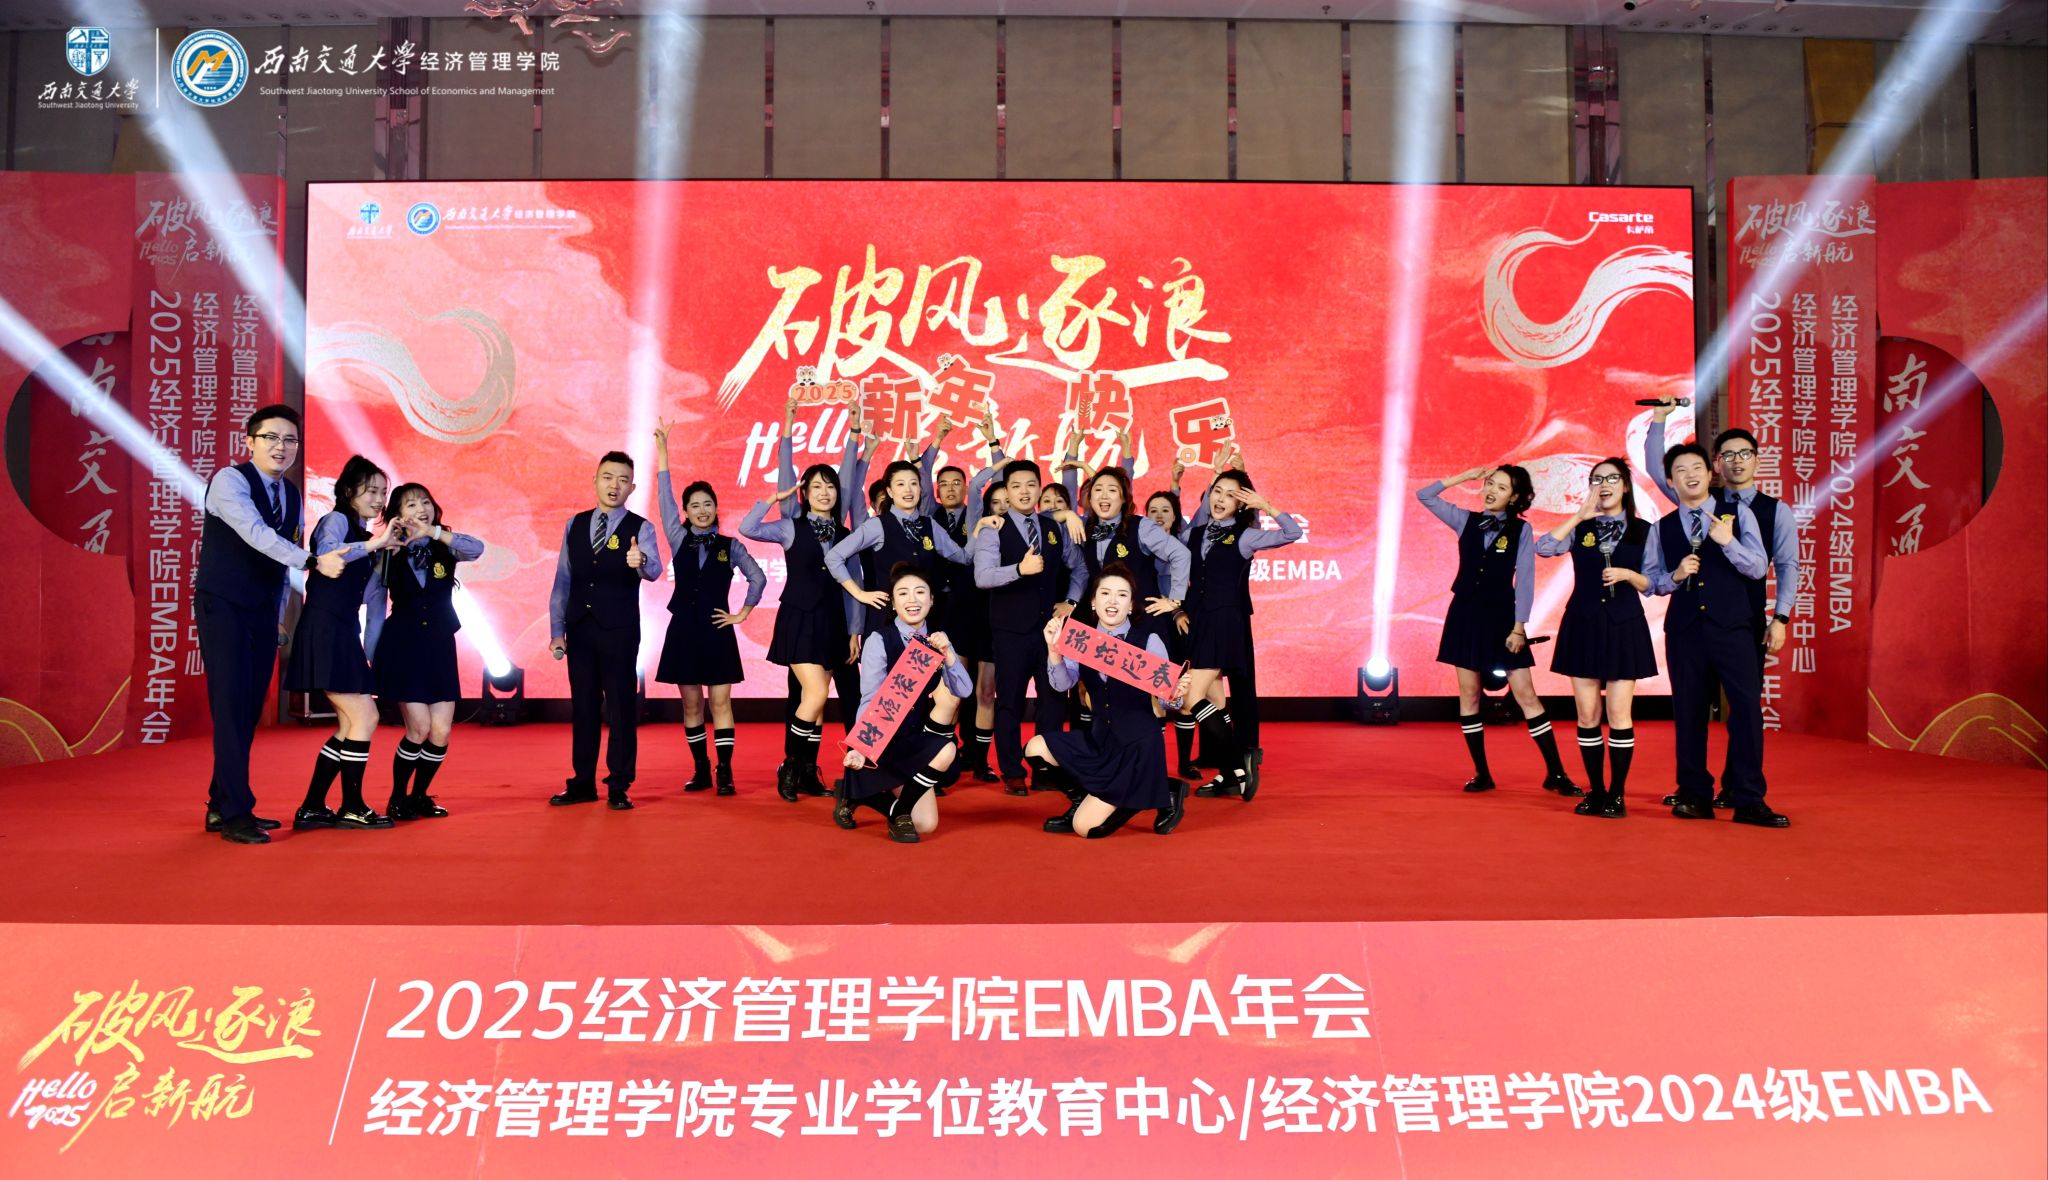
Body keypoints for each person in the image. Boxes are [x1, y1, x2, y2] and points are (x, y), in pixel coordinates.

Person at [196, 405, 343, 844]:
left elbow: (277, 564)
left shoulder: (291, 493)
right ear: (250, 442)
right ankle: (236, 813)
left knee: (247, 708)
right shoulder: (230, 481)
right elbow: (255, 533)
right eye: (271, 438)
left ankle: (220, 803)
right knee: (230, 705)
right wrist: (312, 561)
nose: (281, 447)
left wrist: (278, 618)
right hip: (224, 605)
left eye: (290, 440)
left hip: (261, 611)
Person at [1646, 402, 1803, 808]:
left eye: (1744, 454)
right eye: (1727, 454)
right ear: (1717, 464)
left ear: (1756, 459)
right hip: (1689, 622)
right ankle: (1695, 791)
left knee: (1745, 708)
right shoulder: (1691, 501)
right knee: (1691, 709)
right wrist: (1659, 420)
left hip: (1744, 620)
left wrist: (1781, 617)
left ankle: (1741, 790)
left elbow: (1783, 566)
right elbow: (1660, 470)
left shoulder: (1765, 511)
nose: (1736, 461)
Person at [1417, 465, 1582, 798]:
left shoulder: (1521, 529)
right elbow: (1425, 495)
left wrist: (1519, 627)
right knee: (1469, 694)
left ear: (1515, 497)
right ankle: (1482, 773)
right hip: (1464, 615)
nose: (1491, 491)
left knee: (1526, 695)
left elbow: (1525, 581)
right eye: (1490, 484)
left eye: (1501, 487)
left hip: (1502, 618)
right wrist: (1463, 477)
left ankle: (1556, 773)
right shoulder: (1465, 520)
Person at [284, 453, 405, 831]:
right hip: (324, 628)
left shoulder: (371, 542)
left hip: (343, 631)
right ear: (349, 491)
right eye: (371, 491)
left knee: (351, 723)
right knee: (365, 717)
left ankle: (312, 807)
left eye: (383, 493)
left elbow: (374, 604)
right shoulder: (336, 520)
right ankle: (351, 806)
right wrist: (376, 545)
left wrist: (371, 657)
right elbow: (325, 553)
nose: (379, 500)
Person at [1030, 564, 1194, 838]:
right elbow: (1061, 684)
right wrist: (1053, 650)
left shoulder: (1148, 640)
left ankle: (1160, 789)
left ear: (1131, 606)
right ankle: (1085, 799)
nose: (1113, 601)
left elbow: (1168, 702)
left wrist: (1174, 696)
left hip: (1137, 746)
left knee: (1085, 828)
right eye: (1105, 593)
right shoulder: (1081, 640)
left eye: (1121, 595)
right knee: (1036, 748)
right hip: (1099, 741)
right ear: (1093, 602)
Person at [1536, 457, 1658, 818]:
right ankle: (1596, 791)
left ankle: (1617, 795)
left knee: (1618, 712)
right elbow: (1544, 547)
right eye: (1596, 479)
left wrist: (1628, 575)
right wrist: (1578, 515)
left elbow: (1656, 583)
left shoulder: (1645, 530)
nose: (1604, 485)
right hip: (1584, 623)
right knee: (1587, 713)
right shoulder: (1582, 527)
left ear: (1625, 486)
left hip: (1624, 624)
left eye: (1612, 478)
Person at [741, 445, 863, 801]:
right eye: (816, 487)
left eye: (830, 486)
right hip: (799, 619)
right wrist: (772, 499)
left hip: (833, 623)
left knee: (816, 702)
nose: (824, 492)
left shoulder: (845, 534)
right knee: (816, 694)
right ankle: (790, 767)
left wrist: (854, 630)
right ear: (805, 493)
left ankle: (808, 771)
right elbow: (748, 528)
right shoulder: (790, 527)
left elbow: (853, 583)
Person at [653, 422, 766, 796]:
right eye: (694, 505)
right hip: (684, 631)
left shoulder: (730, 546)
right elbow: (665, 498)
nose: (702, 510)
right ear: (686, 511)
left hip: (718, 631)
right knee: (691, 705)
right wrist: (663, 453)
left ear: (717, 507)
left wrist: (742, 613)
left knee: (720, 702)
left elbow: (758, 578)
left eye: (707, 504)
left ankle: (725, 771)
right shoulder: (678, 538)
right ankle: (701, 769)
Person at [547, 451, 662, 811]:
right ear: (595, 480)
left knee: (621, 708)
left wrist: (640, 561)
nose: (615, 485)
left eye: (623, 480)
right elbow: (562, 580)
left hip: (619, 632)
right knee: (583, 707)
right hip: (580, 630)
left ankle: (619, 784)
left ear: (632, 488)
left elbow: (655, 570)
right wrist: (557, 630)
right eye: (608, 477)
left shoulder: (641, 528)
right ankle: (582, 782)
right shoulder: (575, 524)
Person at [1178, 468, 1302, 802]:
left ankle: (1237, 764)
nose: (1220, 499)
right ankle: (1230, 774)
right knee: (1216, 701)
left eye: (1230, 495)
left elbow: (1292, 532)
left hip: (1225, 623)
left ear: (1241, 503)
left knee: (1190, 699)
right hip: (1198, 621)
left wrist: (1267, 505)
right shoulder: (1194, 533)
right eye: (1216, 491)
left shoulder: (1246, 536)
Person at [367, 483, 487, 819]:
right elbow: (373, 606)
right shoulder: (387, 551)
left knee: (441, 731)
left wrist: (434, 533)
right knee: (418, 728)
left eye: (425, 503)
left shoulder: (445, 545)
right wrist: (370, 655)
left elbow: (477, 549)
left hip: (439, 644)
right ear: (397, 514)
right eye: (411, 504)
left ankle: (420, 796)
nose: (421, 509)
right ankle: (397, 799)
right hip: (402, 646)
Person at [972, 458, 1087, 795]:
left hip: (1050, 631)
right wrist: (1019, 570)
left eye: (1031, 485)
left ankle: (1045, 767)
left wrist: (1071, 601)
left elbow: (1079, 568)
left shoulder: (1053, 527)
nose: (1024, 491)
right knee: (1009, 701)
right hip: (1010, 631)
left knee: (1053, 698)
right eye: (1016, 486)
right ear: (1006, 492)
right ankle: (1012, 771)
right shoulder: (992, 529)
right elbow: (982, 577)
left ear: (1039, 489)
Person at [834, 564, 973, 843]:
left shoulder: (937, 640)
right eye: (903, 593)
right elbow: (870, 698)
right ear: (893, 603)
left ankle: (888, 805)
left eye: (920, 592)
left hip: (912, 740)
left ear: (931, 600)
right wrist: (861, 749)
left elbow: (964, 690)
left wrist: (949, 656)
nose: (912, 600)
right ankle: (857, 794)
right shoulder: (879, 640)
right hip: (881, 740)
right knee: (921, 821)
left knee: (926, 823)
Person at [1146, 486, 1202, 779]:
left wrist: (1178, 610)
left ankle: (1184, 762)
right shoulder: (1141, 546)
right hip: (1152, 626)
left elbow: (1204, 513)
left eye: (1165, 510)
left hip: (1179, 625)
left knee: (1183, 692)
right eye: (1152, 511)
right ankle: (1155, 764)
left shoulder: (1184, 544)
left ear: (1176, 516)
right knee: (1155, 693)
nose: (1158, 516)